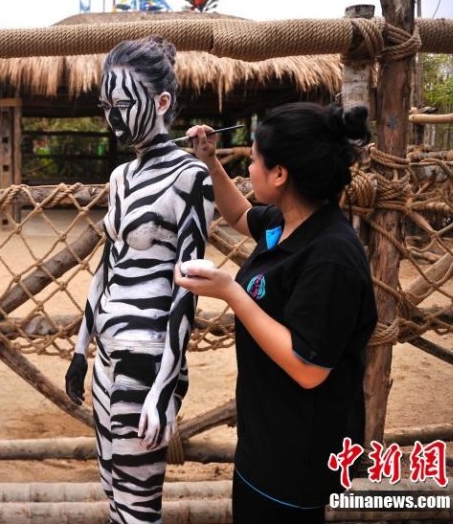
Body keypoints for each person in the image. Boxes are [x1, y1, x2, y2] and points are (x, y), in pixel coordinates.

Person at [175, 103, 377, 523]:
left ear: (280, 174)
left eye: (253, 160)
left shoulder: (330, 257)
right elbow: (238, 214)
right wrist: (210, 160)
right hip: (266, 437)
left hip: (299, 452)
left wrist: (231, 291)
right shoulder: (287, 222)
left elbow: (308, 367)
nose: (248, 168)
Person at [64, 36, 215, 523]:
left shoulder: (191, 178)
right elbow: (107, 268)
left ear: (162, 102)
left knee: (137, 507)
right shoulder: (121, 177)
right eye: (106, 105)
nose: (113, 118)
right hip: (107, 359)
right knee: (114, 492)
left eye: (123, 104)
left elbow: (186, 294)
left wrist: (163, 391)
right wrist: (79, 350)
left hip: (146, 361)